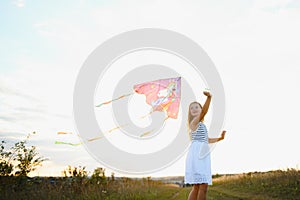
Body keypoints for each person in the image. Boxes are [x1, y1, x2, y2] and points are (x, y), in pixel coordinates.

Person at [185, 91, 226, 200]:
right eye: (191, 108)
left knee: (198, 186)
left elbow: (206, 140)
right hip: (198, 155)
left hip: (201, 154)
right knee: (202, 186)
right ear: (190, 112)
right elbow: (203, 112)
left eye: (196, 107)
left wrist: (220, 138)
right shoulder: (194, 123)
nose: (194, 109)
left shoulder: (201, 125)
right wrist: (209, 98)